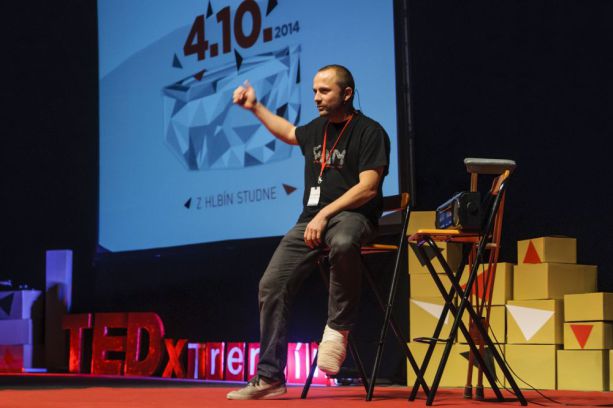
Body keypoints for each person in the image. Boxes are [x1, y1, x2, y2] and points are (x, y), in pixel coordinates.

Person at [227, 65, 390, 400]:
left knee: (344, 242)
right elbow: (288, 132)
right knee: (271, 284)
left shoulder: (369, 131)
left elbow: (369, 188)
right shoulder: (316, 130)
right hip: (310, 221)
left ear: (346, 94)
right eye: (315, 90)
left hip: (352, 218)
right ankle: (270, 377)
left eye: (324, 91)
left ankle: (338, 329)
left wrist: (327, 213)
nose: (316, 97)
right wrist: (255, 107)